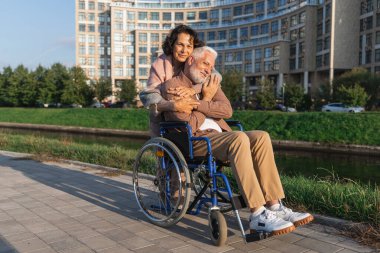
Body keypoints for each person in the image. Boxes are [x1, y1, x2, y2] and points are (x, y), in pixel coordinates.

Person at [160, 46, 314, 236]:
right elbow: (188, 125)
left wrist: (198, 103)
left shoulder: (211, 83)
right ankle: (257, 214)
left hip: (220, 135)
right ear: (191, 60)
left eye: (211, 66)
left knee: (261, 136)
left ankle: (274, 206)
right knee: (238, 138)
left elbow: (226, 110)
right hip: (195, 140)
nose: (209, 70)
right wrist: (208, 99)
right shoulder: (173, 86)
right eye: (206, 63)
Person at [139, 24, 221, 137]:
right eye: (180, 45)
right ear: (172, 45)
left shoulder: (195, 60)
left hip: (193, 114)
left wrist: (193, 90)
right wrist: (172, 105)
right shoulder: (160, 64)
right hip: (166, 117)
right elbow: (149, 95)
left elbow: (216, 76)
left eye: (189, 46)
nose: (184, 50)